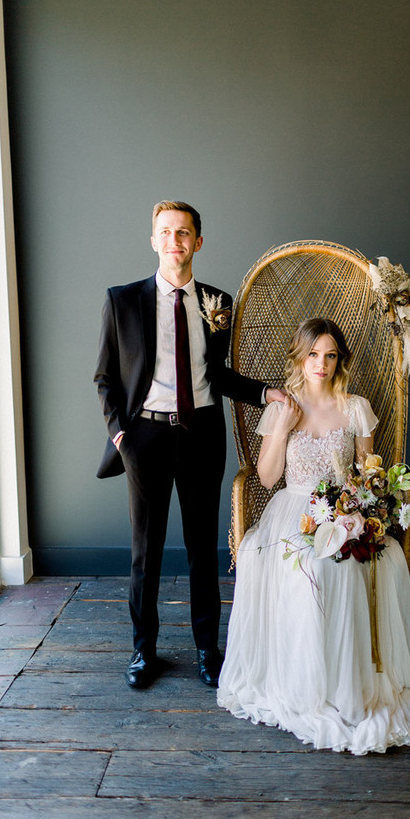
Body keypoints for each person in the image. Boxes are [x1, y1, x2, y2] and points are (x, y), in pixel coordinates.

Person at [94, 200, 285, 690]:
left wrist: (266, 393)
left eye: (184, 233)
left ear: (198, 242)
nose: (175, 241)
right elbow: (105, 377)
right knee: (146, 550)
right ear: (153, 239)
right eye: (166, 232)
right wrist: (121, 434)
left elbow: (217, 376)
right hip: (146, 438)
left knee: (203, 547)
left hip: (201, 435)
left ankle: (207, 651)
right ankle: (143, 652)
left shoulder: (217, 302)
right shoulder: (122, 301)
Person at [217, 318, 410, 754]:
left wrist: (358, 510)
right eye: (314, 354)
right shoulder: (282, 407)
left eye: (330, 355)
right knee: (301, 564)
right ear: (300, 357)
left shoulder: (356, 407)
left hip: (341, 507)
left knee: (356, 561)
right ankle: (306, 681)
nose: (322, 363)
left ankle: (347, 680)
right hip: (292, 508)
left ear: (339, 360)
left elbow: (368, 472)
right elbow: (268, 476)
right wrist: (281, 427)